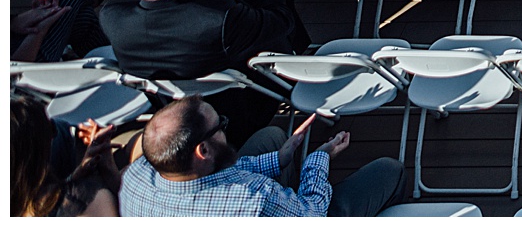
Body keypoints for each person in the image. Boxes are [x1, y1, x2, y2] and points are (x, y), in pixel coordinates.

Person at [98, 0, 300, 145]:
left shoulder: (112, 17)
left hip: (176, 109)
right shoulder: (220, 20)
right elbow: (281, 20)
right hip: (245, 108)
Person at [119, 97, 400, 216]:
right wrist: (319, 158)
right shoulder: (253, 197)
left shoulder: (137, 174)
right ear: (202, 151)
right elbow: (313, 213)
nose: (224, 130)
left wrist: (278, 159)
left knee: (271, 139)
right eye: (220, 126)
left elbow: (226, 173)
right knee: (390, 171)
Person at [12, 92, 122, 217]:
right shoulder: (89, 200)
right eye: (52, 130)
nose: (54, 133)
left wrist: (70, 180)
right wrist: (111, 176)